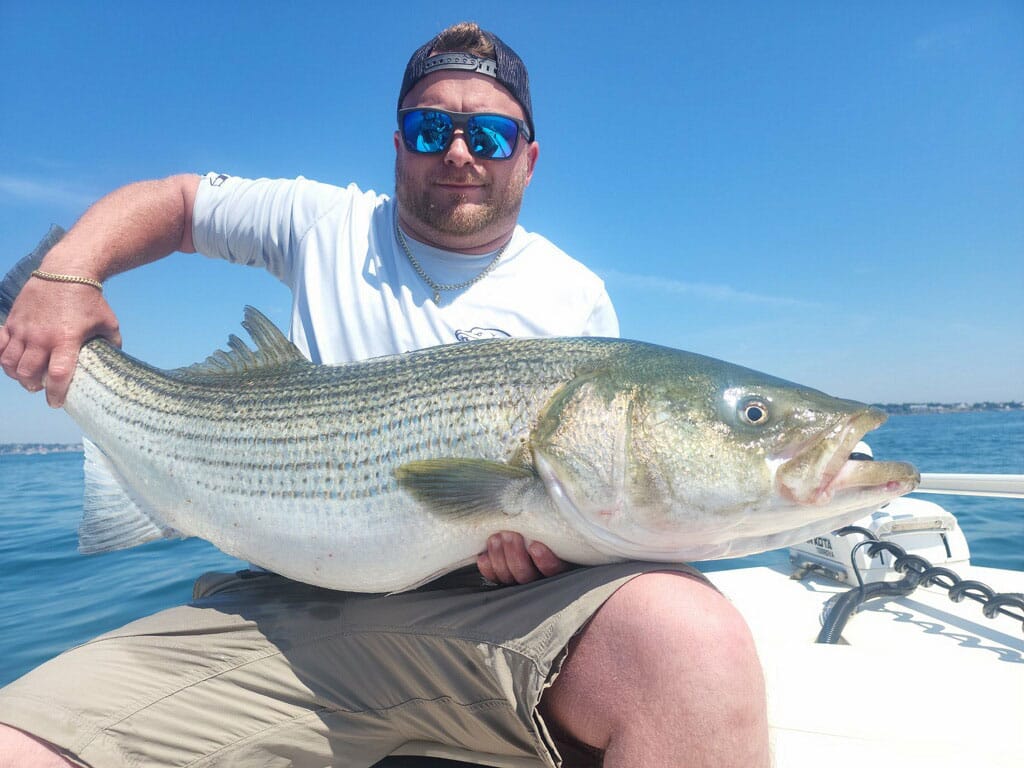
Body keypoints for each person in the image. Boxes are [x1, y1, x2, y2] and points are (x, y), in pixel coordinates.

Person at [0, 22, 769, 768]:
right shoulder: (326, 222)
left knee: (693, 644)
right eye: (431, 130)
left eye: (491, 136)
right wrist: (63, 276)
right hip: (287, 605)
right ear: (398, 144)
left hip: (491, 615)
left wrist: (540, 556)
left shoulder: (574, 294)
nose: (461, 153)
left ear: (529, 158)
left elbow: (591, 507)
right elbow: (176, 203)